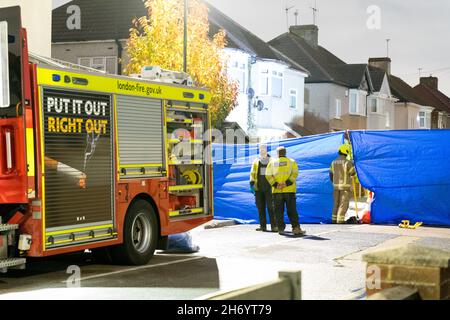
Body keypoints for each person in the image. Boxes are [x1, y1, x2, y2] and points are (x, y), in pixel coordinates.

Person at [266, 146, 305, 236]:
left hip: (277, 191)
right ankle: (295, 228)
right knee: (292, 210)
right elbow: (294, 174)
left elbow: (268, 175)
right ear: (285, 152)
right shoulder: (291, 162)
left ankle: (280, 228)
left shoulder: (272, 163)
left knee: (278, 211)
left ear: (277, 154)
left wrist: (276, 185)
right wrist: (286, 183)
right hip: (289, 190)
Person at [250, 144, 277, 232]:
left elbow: (276, 173)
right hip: (259, 188)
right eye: (260, 149)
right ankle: (263, 226)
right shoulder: (256, 161)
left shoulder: (272, 160)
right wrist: (252, 184)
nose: (261, 150)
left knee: (271, 207)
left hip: (269, 187)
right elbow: (252, 173)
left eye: (263, 148)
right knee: (260, 207)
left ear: (266, 149)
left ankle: (274, 226)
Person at [329, 144, 356, 224]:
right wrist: (353, 164)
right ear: (346, 152)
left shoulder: (333, 162)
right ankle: (340, 220)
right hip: (345, 188)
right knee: (343, 204)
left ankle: (334, 220)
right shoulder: (347, 162)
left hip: (335, 187)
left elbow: (330, 174)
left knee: (336, 204)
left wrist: (334, 182)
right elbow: (352, 173)